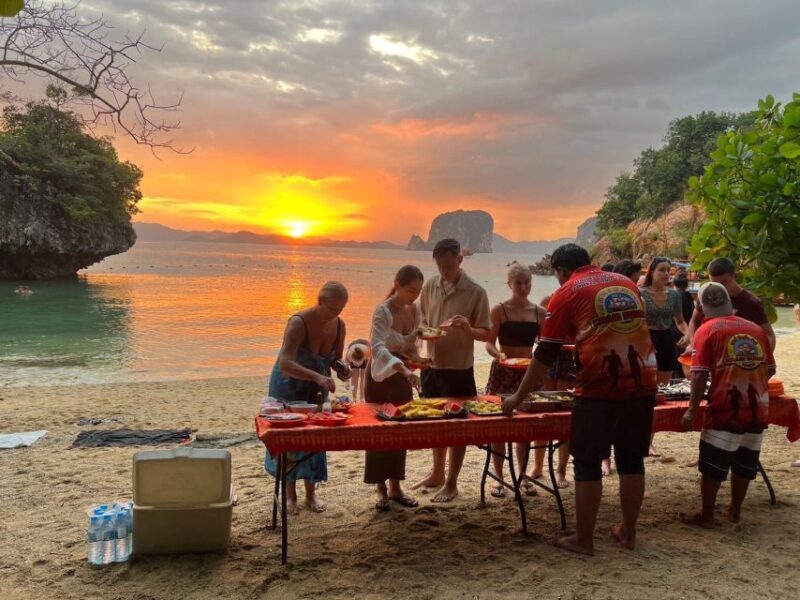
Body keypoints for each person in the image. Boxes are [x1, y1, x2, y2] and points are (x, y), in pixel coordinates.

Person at [503, 244, 658, 555]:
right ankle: (629, 533)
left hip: (600, 386)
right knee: (631, 460)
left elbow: (545, 352)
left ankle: (583, 539)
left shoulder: (567, 291)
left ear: (560, 271)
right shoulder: (627, 284)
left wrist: (518, 397)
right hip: (644, 381)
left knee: (586, 463)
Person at [680, 283, 775, 528]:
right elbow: (771, 369)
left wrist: (692, 409)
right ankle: (735, 510)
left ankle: (707, 516)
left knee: (713, 463)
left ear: (700, 306)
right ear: (728, 303)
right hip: (758, 407)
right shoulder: (755, 329)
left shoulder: (706, 330)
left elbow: (699, 374)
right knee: (746, 460)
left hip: (726, 407)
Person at [414, 238, 491, 503]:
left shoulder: (476, 292)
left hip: (459, 368)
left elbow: (486, 333)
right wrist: (427, 333)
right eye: (440, 265)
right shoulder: (429, 286)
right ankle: (436, 473)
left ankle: (452, 482)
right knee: (436, 424)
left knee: (458, 426)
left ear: (460, 259)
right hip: (431, 365)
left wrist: (469, 329)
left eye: (449, 265)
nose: (445, 270)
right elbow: (421, 320)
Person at [264, 281, 351, 515]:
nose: (337, 313)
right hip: (288, 384)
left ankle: (311, 494)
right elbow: (285, 363)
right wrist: (317, 376)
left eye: (341, 309)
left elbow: (335, 358)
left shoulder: (339, 325)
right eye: (333, 308)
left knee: (315, 439)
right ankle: (290, 496)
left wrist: (342, 368)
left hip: (317, 387)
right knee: (292, 440)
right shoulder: (298, 323)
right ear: (320, 301)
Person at [484, 262, 548, 497]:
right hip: (503, 370)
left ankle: (522, 475)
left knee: (526, 427)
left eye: (527, 282)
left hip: (528, 371)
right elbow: (489, 342)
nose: (523, 287)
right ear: (509, 284)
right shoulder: (499, 310)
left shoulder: (539, 312)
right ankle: (498, 478)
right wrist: (498, 355)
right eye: (518, 283)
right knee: (500, 424)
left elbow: (543, 345)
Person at [366, 266, 424, 510]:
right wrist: (403, 368)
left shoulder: (414, 309)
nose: (415, 295)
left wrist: (418, 360)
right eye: (411, 290)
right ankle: (380, 490)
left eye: (419, 291)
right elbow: (377, 347)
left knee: (400, 432)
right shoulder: (383, 311)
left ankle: (396, 487)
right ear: (397, 285)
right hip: (381, 376)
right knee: (380, 434)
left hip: (403, 375)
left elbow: (411, 344)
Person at [639, 257, 689, 457]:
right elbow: (637, 322)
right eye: (662, 270)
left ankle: (649, 441)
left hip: (666, 340)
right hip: (646, 341)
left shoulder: (675, 296)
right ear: (651, 272)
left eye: (669, 270)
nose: (667, 274)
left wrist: (688, 335)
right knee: (643, 392)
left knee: (659, 394)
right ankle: (639, 437)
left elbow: (679, 321)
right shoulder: (640, 293)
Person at [682, 257, 775, 351]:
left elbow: (769, 335)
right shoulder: (706, 295)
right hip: (709, 350)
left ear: (735, 276)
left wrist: (765, 360)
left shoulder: (751, 303)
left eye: (724, 282)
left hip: (737, 354)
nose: (720, 287)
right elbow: (694, 321)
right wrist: (694, 345)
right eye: (714, 283)